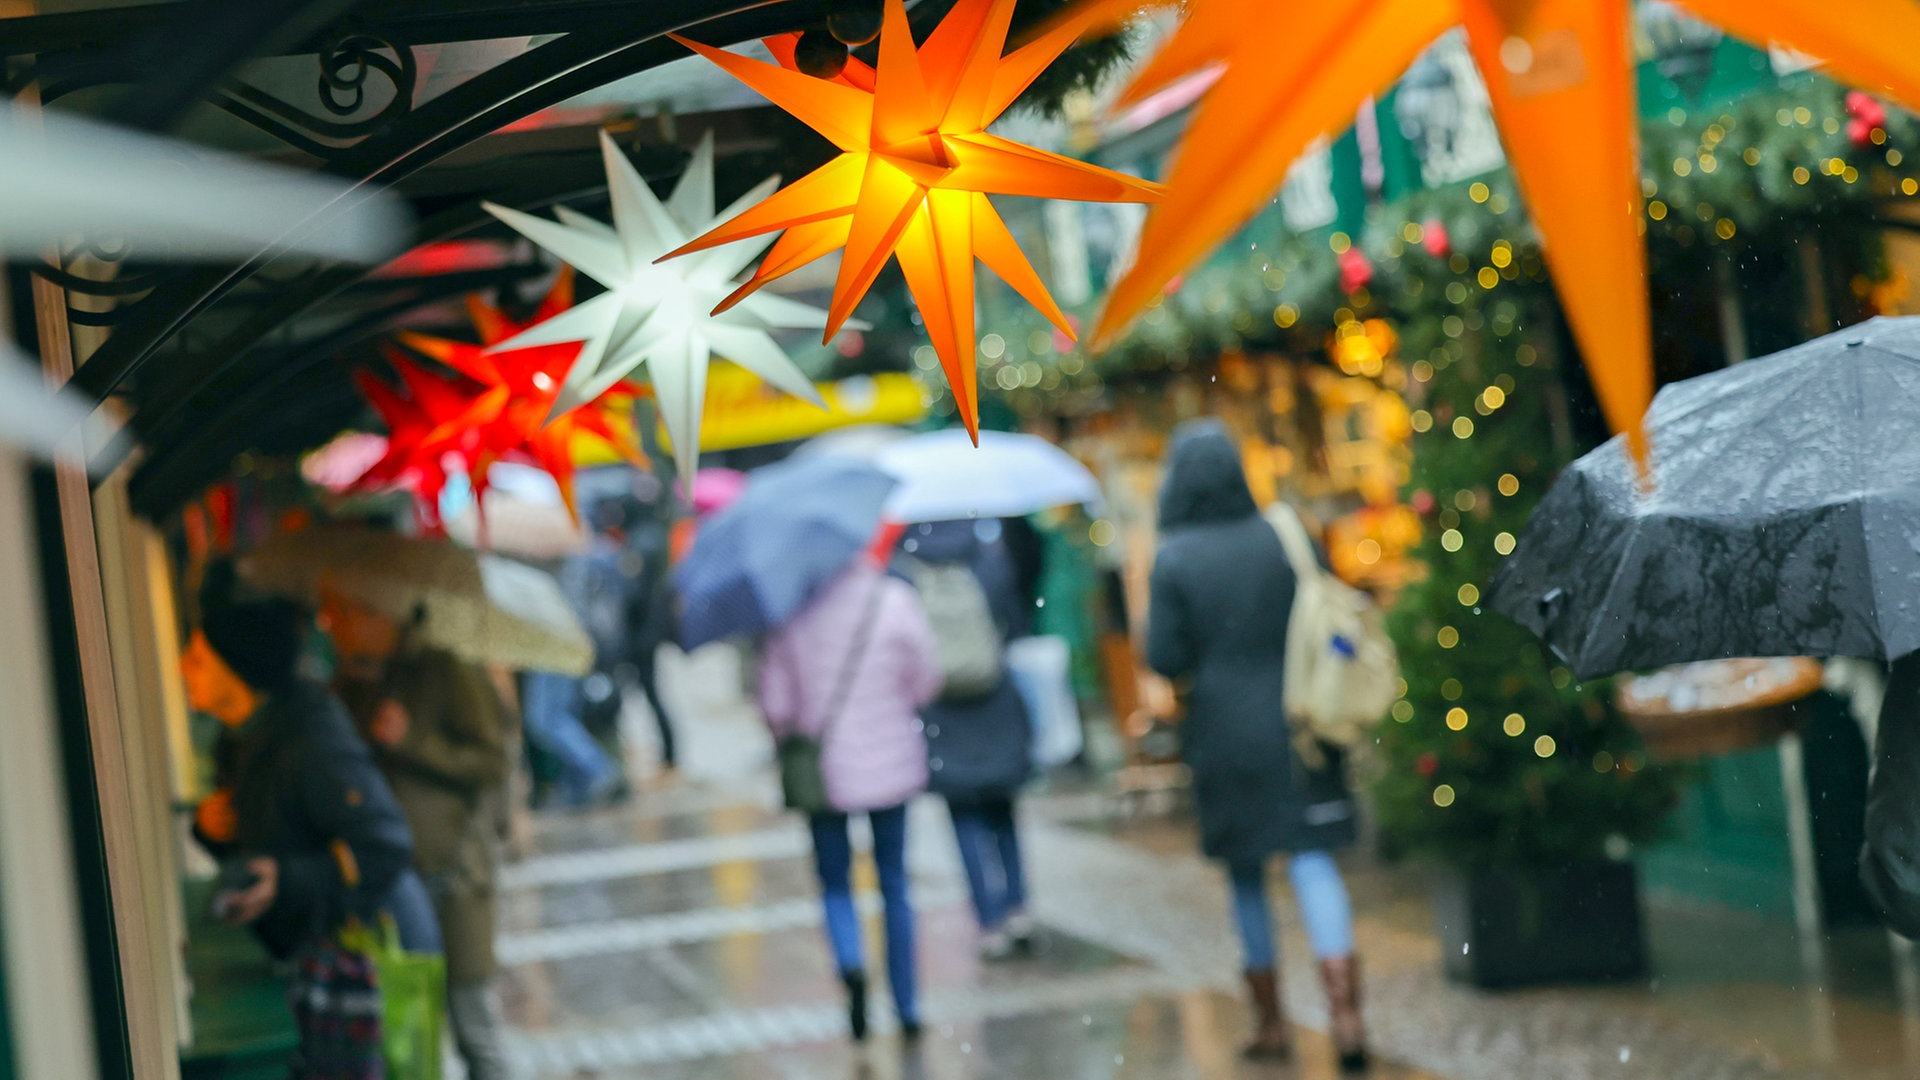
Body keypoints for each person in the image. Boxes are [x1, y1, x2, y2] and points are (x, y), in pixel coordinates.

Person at [1144, 419, 1367, 1069]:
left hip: (1224, 733)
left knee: (1246, 874)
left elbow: (1164, 657)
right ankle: (1347, 1014)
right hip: (1301, 722)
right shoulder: (1284, 532)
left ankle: (1270, 1022)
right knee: (1312, 858)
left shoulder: (1176, 555)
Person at [184, 582, 439, 1078]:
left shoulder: (309, 736)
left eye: (197, 658)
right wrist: (211, 830)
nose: (181, 668)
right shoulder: (240, 740)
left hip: (373, 953)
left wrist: (287, 878)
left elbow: (385, 845)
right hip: (319, 962)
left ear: (237, 671)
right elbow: (268, 845)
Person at [756, 557, 943, 1042]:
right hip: (890, 767)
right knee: (894, 884)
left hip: (824, 773)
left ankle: (851, 961)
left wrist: (794, 729)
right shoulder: (894, 600)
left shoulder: (793, 614)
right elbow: (927, 680)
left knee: (835, 883)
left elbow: (775, 705)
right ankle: (907, 1004)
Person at [328, 596, 514, 1080]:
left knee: (472, 1023)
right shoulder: (363, 676)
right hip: (395, 875)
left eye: (345, 611)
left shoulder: (446, 667)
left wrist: (412, 741)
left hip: (453, 871)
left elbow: (490, 762)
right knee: (409, 1029)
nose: (333, 624)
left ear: (379, 612)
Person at [899, 519, 1038, 960]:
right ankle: (1019, 906)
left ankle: (989, 918)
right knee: (1003, 808)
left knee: (964, 816)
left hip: (941, 710)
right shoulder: (988, 559)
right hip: (994, 700)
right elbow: (1015, 628)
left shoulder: (903, 571)